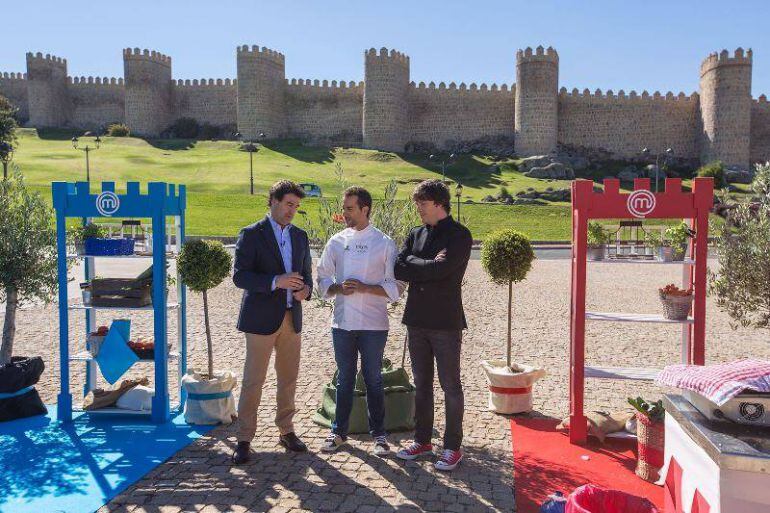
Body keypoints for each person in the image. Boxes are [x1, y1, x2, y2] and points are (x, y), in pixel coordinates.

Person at [316, 186, 403, 456]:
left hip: (374, 325)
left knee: (373, 378)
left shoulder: (385, 243)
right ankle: (338, 432)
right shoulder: (337, 241)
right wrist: (338, 289)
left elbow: (397, 287)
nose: (344, 213)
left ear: (365, 209)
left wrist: (365, 288)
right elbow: (321, 278)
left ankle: (379, 435)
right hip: (342, 323)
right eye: (343, 208)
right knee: (344, 379)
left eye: (349, 209)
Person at [231, 180, 313, 465]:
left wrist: (306, 290)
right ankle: (243, 438)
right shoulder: (252, 234)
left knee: (288, 379)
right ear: (274, 201)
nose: (293, 210)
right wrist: (275, 281)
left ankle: (287, 430)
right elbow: (240, 276)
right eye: (289, 204)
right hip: (260, 320)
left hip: (292, 319)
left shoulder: (300, 236)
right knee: (253, 380)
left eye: (297, 206)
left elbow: (307, 275)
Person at [393, 179, 472, 471]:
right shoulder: (415, 234)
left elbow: (443, 270)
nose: (419, 211)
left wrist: (418, 265)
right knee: (421, 384)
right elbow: (398, 266)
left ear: (439, 204)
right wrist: (426, 265)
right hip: (416, 319)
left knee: (450, 385)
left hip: (445, 322)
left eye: (423, 205)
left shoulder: (460, 235)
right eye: (417, 205)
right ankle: (422, 440)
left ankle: (452, 446)